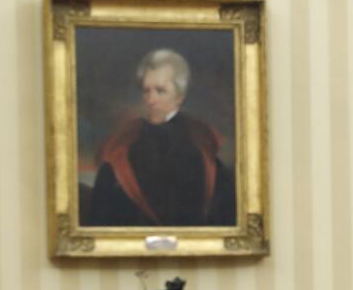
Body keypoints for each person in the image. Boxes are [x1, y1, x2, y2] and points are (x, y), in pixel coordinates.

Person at [79, 48, 236, 228]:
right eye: (146, 91)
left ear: (179, 97)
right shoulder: (124, 142)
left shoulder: (201, 144)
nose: (150, 100)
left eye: (160, 91)